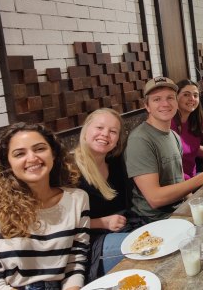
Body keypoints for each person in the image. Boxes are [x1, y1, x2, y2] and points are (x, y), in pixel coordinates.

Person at [0, 123, 89, 289]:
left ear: (54, 154)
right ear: (7, 163)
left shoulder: (77, 199)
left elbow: (75, 261)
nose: (32, 158)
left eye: (39, 149)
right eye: (19, 153)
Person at [125, 77, 203, 223]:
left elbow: (179, 179)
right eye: (157, 99)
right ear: (147, 106)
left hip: (179, 210)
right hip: (153, 220)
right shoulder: (140, 139)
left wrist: (194, 204)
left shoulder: (173, 135)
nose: (165, 104)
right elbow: (155, 198)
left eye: (170, 98)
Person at [74, 108, 136, 280]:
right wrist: (102, 222)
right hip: (87, 244)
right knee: (139, 247)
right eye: (99, 128)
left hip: (120, 229)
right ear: (86, 130)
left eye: (113, 131)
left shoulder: (114, 162)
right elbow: (59, 223)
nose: (105, 135)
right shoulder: (68, 170)